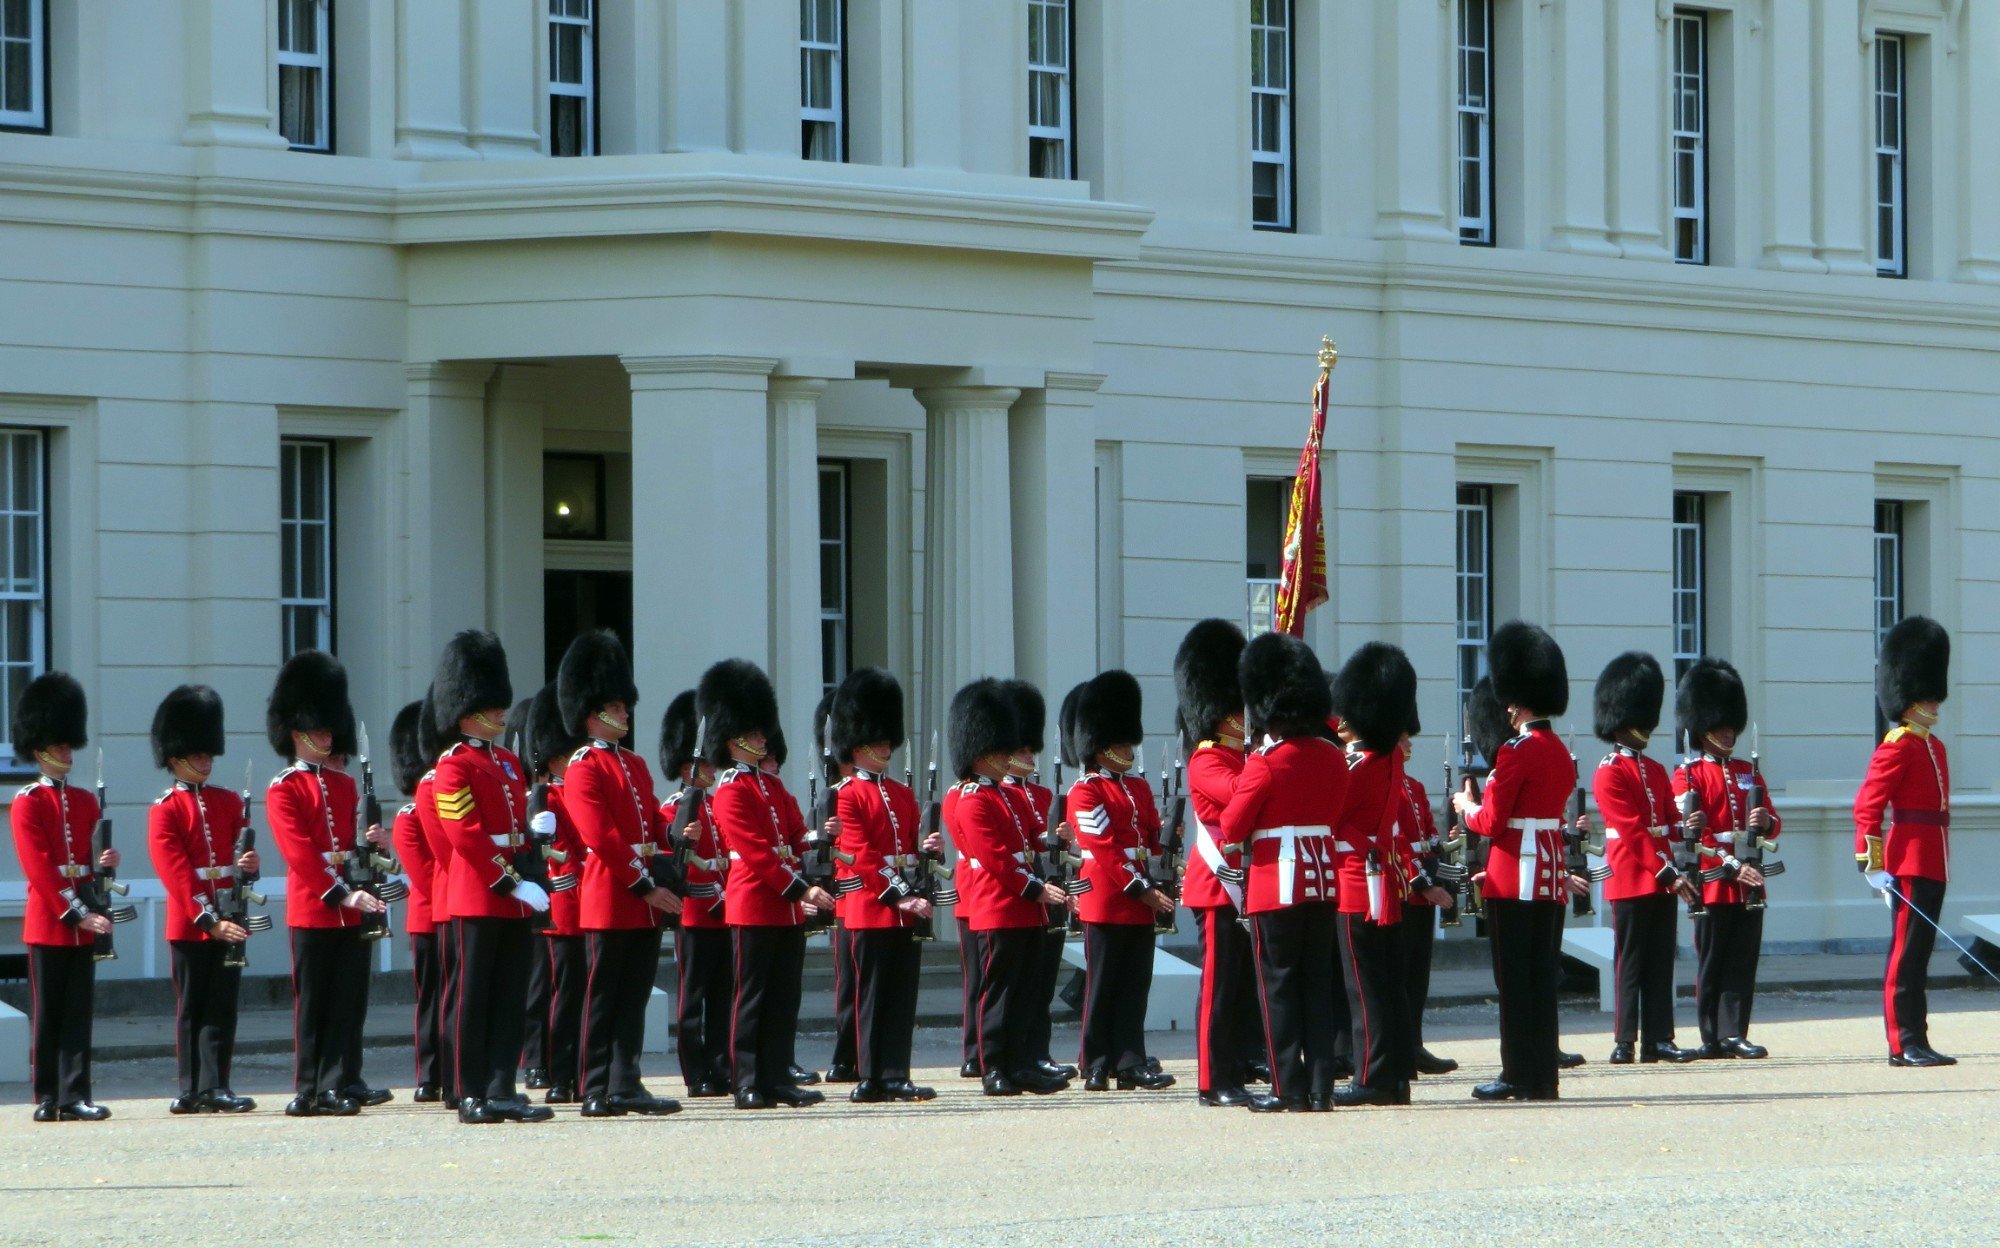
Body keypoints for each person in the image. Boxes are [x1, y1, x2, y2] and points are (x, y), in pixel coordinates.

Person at [1452, 622, 1588, 1102]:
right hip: (1549, 873)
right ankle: (1542, 1076)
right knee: (1541, 978)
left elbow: (1490, 822)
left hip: (1514, 876)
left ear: (1518, 701)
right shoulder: (1559, 754)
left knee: (1513, 981)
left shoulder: (1516, 752)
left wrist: (1463, 806)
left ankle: (1516, 1074)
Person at [701, 659, 836, 1109]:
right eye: (756, 734)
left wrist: (822, 845)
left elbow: (796, 833)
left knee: (784, 996)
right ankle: (747, 1081)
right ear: (734, 737)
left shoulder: (770, 786)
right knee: (752, 996)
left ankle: (776, 1076)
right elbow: (756, 853)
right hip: (757, 902)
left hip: (785, 905)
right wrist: (802, 889)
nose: (764, 740)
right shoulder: (731, 789)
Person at [431, 630, 553, 1125]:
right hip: (480, 894)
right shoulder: (452, 766)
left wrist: (534, 836)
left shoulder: (505, 762)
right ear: (466, 710)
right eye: (492, 707)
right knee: (473, 998)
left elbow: (509, 831)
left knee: (509, 997)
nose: (502, 715)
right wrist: (509, 882)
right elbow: (464, 833)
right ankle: (470, 1090)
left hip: (512, 893)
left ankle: (503, 1085)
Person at [560, 630, 684, 1117]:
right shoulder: (584, 767)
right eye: (617, 705)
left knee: (633, 997)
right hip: (614, 895)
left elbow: (652, 820)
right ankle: (595, 1087)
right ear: (594, 713)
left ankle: (626, 1081)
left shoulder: (633, 764)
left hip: (643, 898)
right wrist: (646, 885)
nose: (626, 713)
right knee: (603, 996)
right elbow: (602, 837)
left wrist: (677, 834)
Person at [1222, 633, 1345, 1113]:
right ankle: (1321, 1089)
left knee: (1278, 988)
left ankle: (1286, 1087)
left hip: (1278, 882)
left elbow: (1232, 827)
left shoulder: (1266, 764)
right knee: (1318, 986)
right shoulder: (1335, 757)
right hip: (1324, 878)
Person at [266, 651, 388, 1117]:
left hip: (354, 903)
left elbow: (352, 844)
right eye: (318, 730)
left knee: (347, 1001)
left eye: (327, 728)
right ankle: (310, 1086)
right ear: (297, 733)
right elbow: (299, 852)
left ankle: (337, 1082)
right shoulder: (285, 788)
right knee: (314, 1003)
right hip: (316, 906)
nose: (326, 736)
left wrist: (374, 847)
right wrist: (341, 892)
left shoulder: (342, 785)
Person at [947, 678, 1073, 1096]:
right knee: (998, 992)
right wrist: (1037, 890)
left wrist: (1061, 839)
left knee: (1024, 990)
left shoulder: (1010, 796)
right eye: (1002, 750)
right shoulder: (972, 800)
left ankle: (1021, 1063)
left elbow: (1034, 841)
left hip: (1024, 906)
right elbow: (998, 859)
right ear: (981, 754)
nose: (1010, 757)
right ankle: (993, 1065)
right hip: (998, 904)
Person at [1328, 643, 1435, 1107]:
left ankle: (1371, 1076)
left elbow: (1333, 818)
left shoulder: (1356, 763)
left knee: (1364, 987)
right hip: (1386, 880)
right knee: (1389, 984)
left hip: (1355, 881)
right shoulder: (1389, 759)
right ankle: (1395, 1077)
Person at [10, 672, 118, 1122]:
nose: (67, 752)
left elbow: (89, 865)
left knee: (78, 1014)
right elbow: (39, 869)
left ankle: (76, 1094)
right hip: (51, 922)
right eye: (59, 745)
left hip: (83, 919)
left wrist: (106, 865)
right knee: (50, 1014)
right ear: (40, 749)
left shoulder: (84, 801)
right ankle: (48, 1096)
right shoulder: (28, 801)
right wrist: (76, 915)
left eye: (69, 745)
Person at [147, 684, 259, 1115]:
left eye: (208, 754)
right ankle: (191, 1086)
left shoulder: (228, 801)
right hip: (193, 923)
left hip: (231, 913)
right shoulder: (166, 809)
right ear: (175, 758)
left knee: (222, 1006)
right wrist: (209, 920)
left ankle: (217, 1085)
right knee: (193, 1007)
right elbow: (176, 875)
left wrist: (249, 864)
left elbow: (239, 861)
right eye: (197, 755)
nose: (206, 761)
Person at [829, 667, 938, 1103]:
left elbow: (909, 849)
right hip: (870, 907)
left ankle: (896, 1072)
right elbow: (861, 856)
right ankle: (870, 1073)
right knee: (872, 996)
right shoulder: (847, 794)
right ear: (858, 746)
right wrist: (904, 896)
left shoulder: (902, 794)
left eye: (887, 739)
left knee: (901, 995)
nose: (886, 746)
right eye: (878, 741)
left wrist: (931, 849)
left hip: (903, 905)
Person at [1856, 616, 1956, 1067]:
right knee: (1904, 955)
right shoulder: (1897, 744)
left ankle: (1919, 1037)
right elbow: (1867, 806)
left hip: (1933, 858)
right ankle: (1901, 1042)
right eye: (1927, 695)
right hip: (1909, 859)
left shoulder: (1933, 747)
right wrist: (1872, 861)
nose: (1934, 702)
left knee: (1920, 957)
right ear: (1910, 697)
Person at [1069, 669, 1176, 1092]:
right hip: (1109, 897)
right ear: (1100, 747)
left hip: (1138, 899)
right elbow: (1106, 849)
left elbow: (1148, 837)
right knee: (1102, 985)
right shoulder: (1086, 791)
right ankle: (1094, 1061)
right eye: (1120, 742)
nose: (1129, 749)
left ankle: (1130, 1060)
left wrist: (1166, 840)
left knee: (1135, 986)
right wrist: (1144, 889)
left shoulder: (1138, 787)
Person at [1591, 652, 1699, 1066]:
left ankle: (1659, 1038)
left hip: (1660, 873)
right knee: (1631, 961)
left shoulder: (1653, 769)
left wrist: (1687, 824)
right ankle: (1624, 1040)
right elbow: (1632, 830)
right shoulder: (1610, 771)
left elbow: (1667, 822)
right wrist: (1666, 870)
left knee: (1659, 961)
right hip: (1633, 873)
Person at [1672, 656, 1779, 1060]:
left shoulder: (1747, 771)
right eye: (1720, 725)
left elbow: (1772, 818)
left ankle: (1736, 1031)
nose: (1729, 731)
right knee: (1713, 958)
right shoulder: (1689, 774)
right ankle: (1711, 1033)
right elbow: (1686, 832)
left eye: (1731, 724)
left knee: (1743, 959)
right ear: (1702, 728)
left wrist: (1766, 821)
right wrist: (1694, 828)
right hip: (1715, 877)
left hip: (1751, 874)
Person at [1174, 619, 1256, 1107]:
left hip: (1246, 883)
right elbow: (1239, 801)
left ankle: (1236, 1072)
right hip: (1217, 883)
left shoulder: (1242, 755)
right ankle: (1211, 1080)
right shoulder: (1208, 760)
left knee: (1241, 988)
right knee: (1218, 987)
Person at [997, 678, 1075, 1084]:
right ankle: (1012, 1055)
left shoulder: (1043, 795)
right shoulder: (999, 795)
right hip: (1025, 893)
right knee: (1018, 985)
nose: (1028, 756)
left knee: (1042, 983)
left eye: (1029, 750)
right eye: (1021, 750)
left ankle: (1038, 1051)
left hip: (1051, 890)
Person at [659, 690, 731, 1098]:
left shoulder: (719, 805)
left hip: (725, 910)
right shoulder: (675, 807)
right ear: (688, 767)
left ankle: (722, 1067)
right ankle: (695, 1072)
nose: (712, 771)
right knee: (693, 999)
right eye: (705, 764)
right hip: (695, 913)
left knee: (723, 997)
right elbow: (672, 856)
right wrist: (680, 839)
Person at [525, 683, 587, 1103]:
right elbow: (550, 854)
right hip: (563, 907)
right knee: (563, 996)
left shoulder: (579, 790)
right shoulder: (546, 797)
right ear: (553, 758)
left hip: (591, 905)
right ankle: (558, 1071)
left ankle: (582, 1071)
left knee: (584, 994)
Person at [388, 699, 446, 1102]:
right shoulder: (409, 816)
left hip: (454, 914)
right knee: (431, 999)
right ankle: (429, 1073)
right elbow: (424, 876)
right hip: (429, 918)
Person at [1394, 715, 1457, 1077]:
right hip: (1404, 888)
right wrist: (1423, 883)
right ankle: (1402, 1046)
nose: (1409, 745)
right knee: (1400, 973)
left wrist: (1443, 847)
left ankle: (1414, 1043)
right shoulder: (1388, 785)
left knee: (1418, 974)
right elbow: (1397, 842)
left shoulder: (1415, 787)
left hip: (1422, 890)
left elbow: (1427, 834)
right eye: (1403, 740)